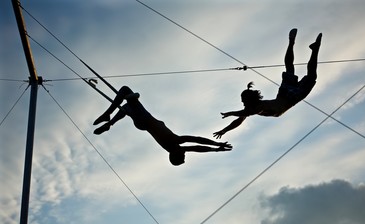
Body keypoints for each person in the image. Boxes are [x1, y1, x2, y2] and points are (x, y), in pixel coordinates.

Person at [213, 28, 322, 139]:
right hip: (284, 94)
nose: (241, 101)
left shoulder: (257, 107)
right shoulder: (252, 107)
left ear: (249, 100)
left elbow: (247, 113)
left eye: (243, 99)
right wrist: (224, 130)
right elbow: (239, 121)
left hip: (291, 97)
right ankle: (297, 44)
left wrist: (230, 113)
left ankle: (309, 48)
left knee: (307, 74)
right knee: (292, 69)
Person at [93, 86, 232, 166]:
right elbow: (198, 147)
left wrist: (216, 146)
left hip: (144, 120)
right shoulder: (174, 145)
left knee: (125, 90)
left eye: (182, 156)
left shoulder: (173, 142)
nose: (185, 153)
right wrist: (216, 148)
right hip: (142, 122)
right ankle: (110, 123)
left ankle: (107, 115)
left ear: (174, 155)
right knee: (126, 108)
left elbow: (197, 141)